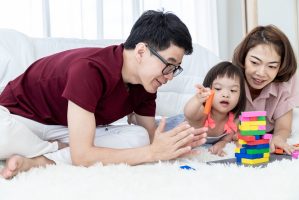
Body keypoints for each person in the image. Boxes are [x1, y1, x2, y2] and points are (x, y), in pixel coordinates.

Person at [0, 10, 207, 179]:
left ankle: (40, 160)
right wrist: (153, 153)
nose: (170, 76)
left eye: (175, 68)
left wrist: (175, 145)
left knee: (138, 138)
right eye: (169, 65)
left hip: (65, 128)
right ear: (141, 52)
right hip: (21, 118)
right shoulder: (90, 70)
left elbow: (151, 136)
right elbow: (82, 157)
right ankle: (56, 149)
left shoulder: (147, 83)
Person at [232, 25, 299, 155]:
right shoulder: (230, 77)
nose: (261, 73)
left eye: (272, 66)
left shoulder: (286, 82)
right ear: (244, 58)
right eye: (254, 62)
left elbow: (283, 127)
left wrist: (278, 138)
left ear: (280, 67)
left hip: (267, 134)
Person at [184, 61, 246, 156]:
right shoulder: (202, 112)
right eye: (218, 88)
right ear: (208, 89)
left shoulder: (235, 119)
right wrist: (197, 99)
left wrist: (222, 143)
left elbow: (227, 138)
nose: (225, 95)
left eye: (233, 90)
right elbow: (188, 113)